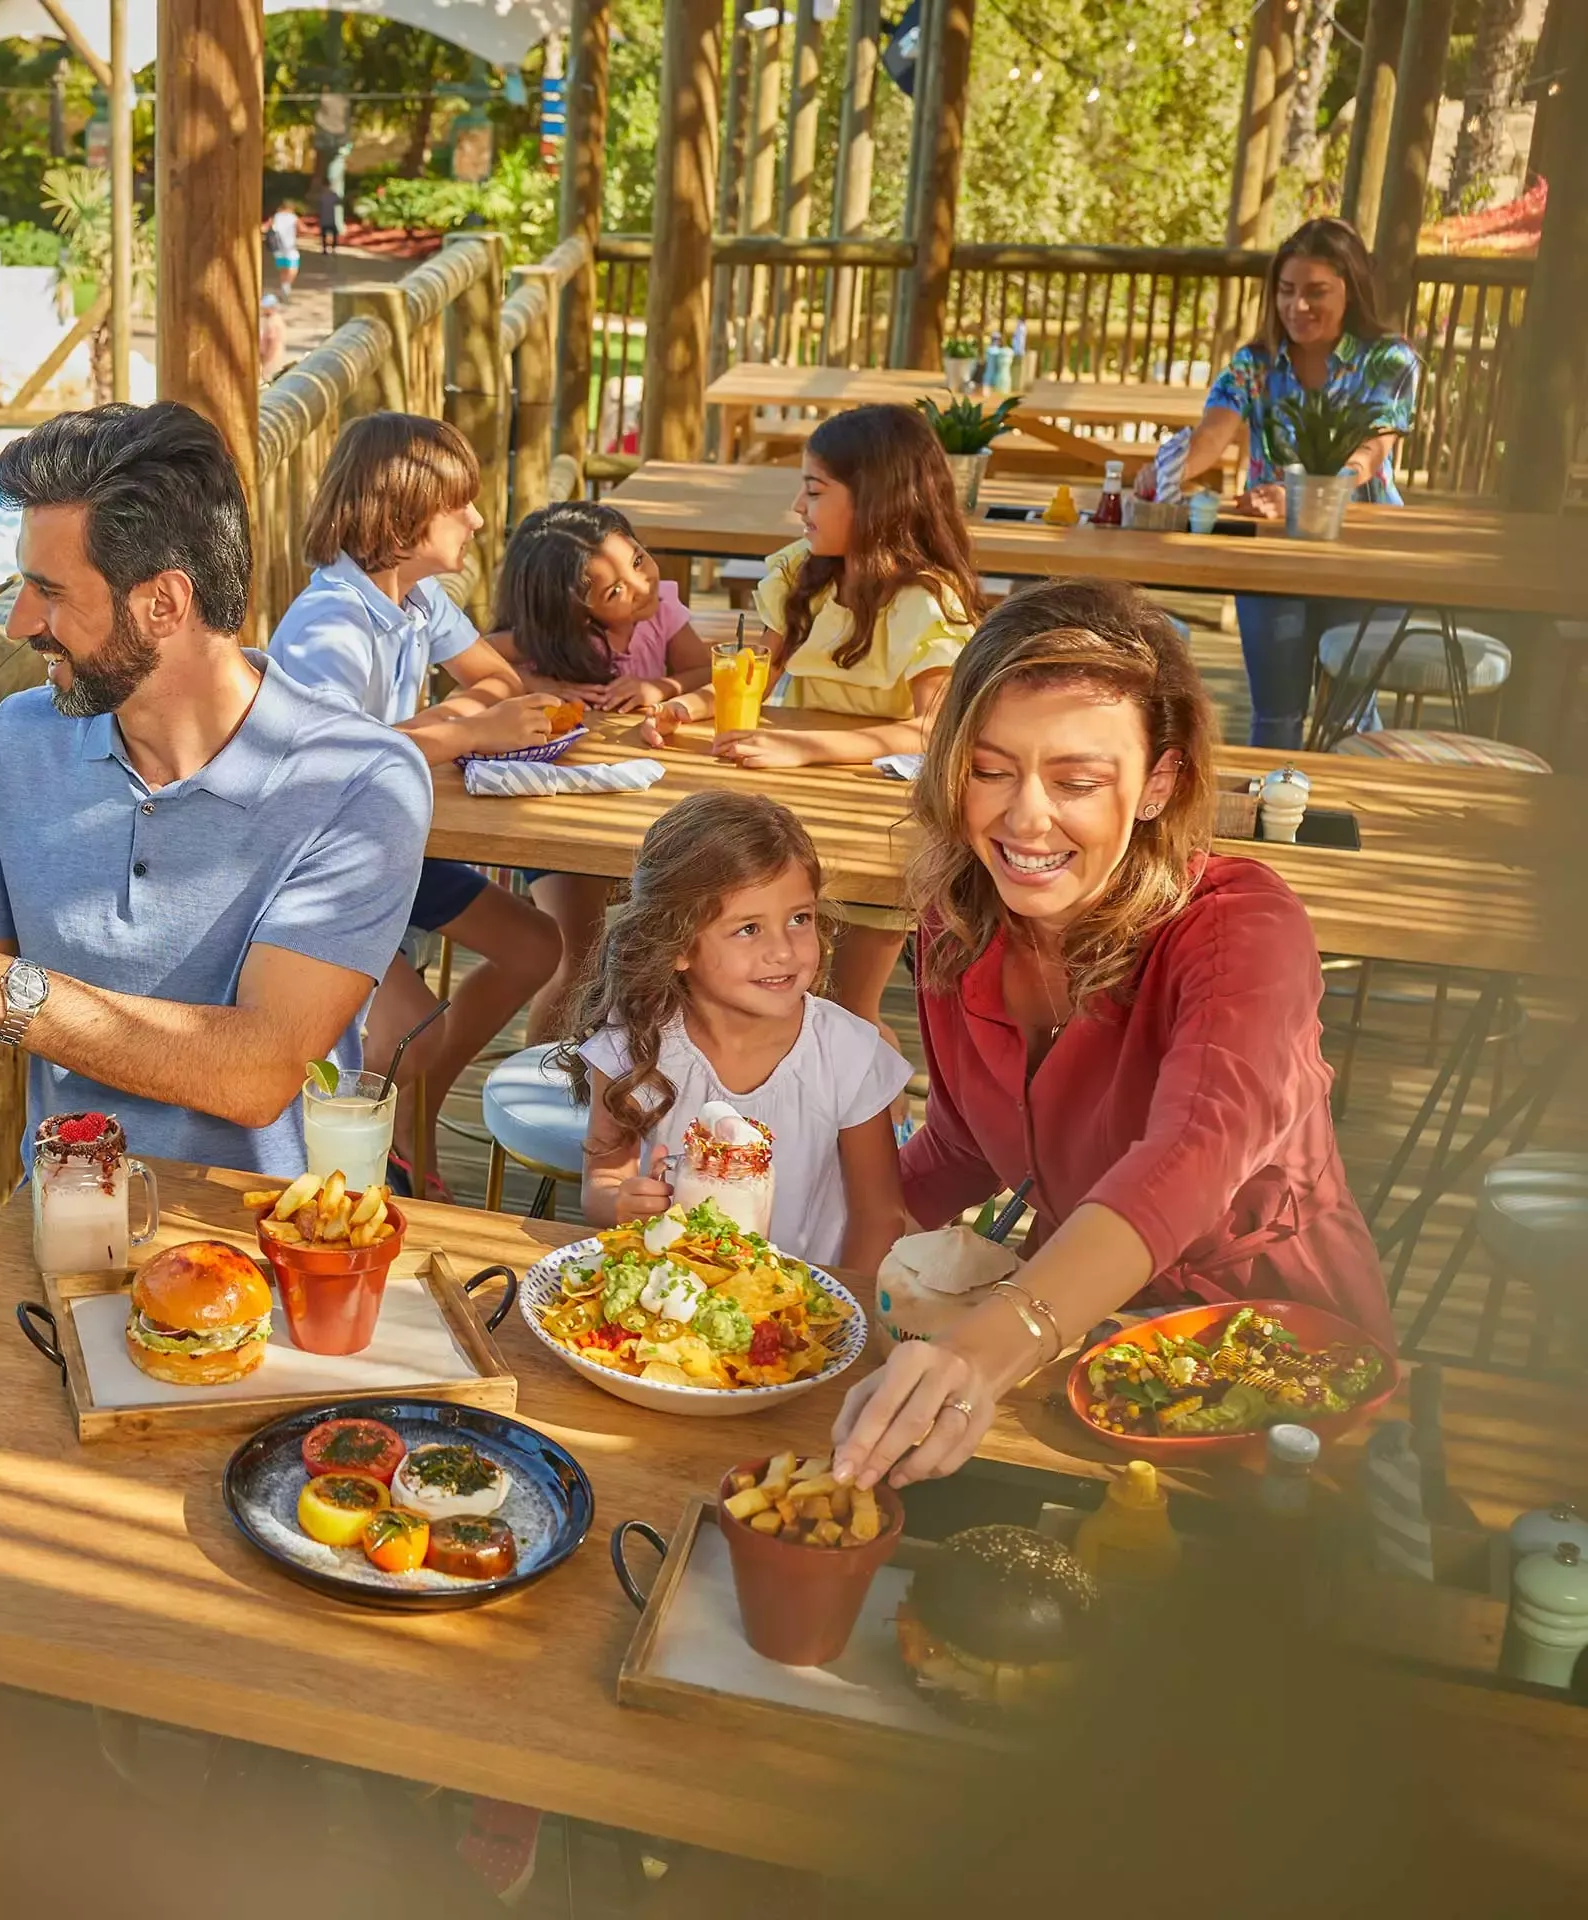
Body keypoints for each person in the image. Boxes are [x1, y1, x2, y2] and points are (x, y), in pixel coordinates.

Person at [829, 579, 1390, 1491]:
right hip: (1068, 1354)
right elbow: (964, 1147)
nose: (1023, 818)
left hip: (1273, 1373)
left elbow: (1190, 1154)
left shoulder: (1243, 928)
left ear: (1159, 783)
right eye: (989, 767)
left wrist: (989, 1346)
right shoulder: (957, 921)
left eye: (1077, 782)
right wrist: (776, 1225)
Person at [0, 402, 434, 1178]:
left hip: (266, 1248)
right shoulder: (17, 741)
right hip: (62, 1225)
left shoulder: (361, 782)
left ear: (164, 604)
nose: (18, 624)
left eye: (49, 591)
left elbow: (258, 1073)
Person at [267, 413, 563, 1197]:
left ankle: (412, 1115)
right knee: (412, 1027)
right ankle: (356, 1178)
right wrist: (464, 730)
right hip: (324, 862)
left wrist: (443, 727)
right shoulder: (330, 621)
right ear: (401, 517)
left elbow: (499, 683)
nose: (476, 518)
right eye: (458, 504)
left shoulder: (418, 599)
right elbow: (330, 757)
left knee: (538, 946)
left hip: (398, 839)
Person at [644, 403, 980, 1038]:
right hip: (788, 812)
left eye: (815, 490)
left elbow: (936, 732)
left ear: (878, 498)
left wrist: (804, 747)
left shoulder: (929, 602)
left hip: (878, 822)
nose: (799, 507)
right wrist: (686, 706)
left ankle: (866, 1129)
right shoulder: (804, 574)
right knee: (769, 995)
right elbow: (756, 673)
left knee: (850, 1012)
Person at [554, 792, 910, 1273]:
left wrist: (843, 1317)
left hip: (806, 1310)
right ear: (677, 945)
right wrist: (620, 1203)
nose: (784, 950)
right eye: (748, 929)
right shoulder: (634, 1043)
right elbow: (601, 1182)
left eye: (799, 919)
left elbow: (879, 1217)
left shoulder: (850, 1055)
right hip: (670, 1299)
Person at [1169, 218, 1421, 749]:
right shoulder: (1253, 362)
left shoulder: (1391, 360)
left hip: (1365, 552)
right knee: (1277, 713)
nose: (1297, 306)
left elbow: (1371, 454)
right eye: (1286, 291)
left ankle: (1346, 819)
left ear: (1350, 291)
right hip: (1271, 556)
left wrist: (1304, 496)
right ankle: (1269, 828)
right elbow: (1213, 434)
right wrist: (1164, 472)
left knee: (1347, 719)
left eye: (1315, 292)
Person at [491, 499, 713, 1037]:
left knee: (665, 948)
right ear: (570, 608)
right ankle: (539, 1086)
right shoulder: (549, 635)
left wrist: (661, 686)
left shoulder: (661, 609)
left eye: (638, 561)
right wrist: (543, 686)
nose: (638, 586)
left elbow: (704, 667)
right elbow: (474, 660)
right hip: (560, 810)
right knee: (580, 955)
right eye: (613, 591)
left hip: (646, 805)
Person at [267, 200, 303, 300]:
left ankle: (284, 286)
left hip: (277, 247)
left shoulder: (276, 216)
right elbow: (302, 228)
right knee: (293, 267)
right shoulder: (293, 217)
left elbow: (267, 227)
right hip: (290, 246)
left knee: (283, 269)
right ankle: (286, 286)